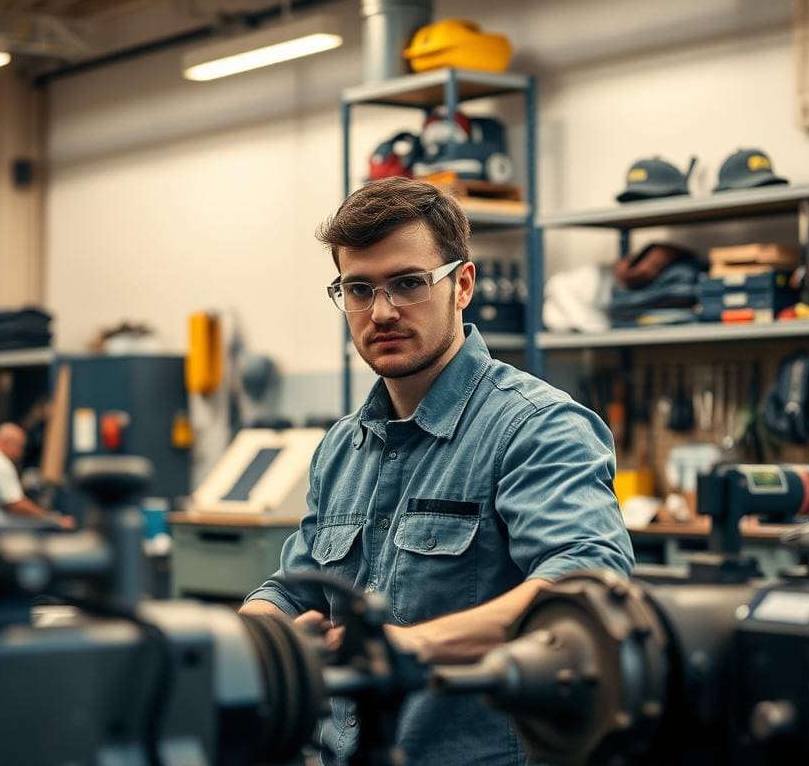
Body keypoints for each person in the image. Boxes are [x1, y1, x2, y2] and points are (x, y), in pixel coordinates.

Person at [240, 177, 633, 765]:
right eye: (359, 289)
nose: (382, 312)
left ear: (462, 285)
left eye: (409, 283)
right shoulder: (341, 447)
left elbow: (587, 584)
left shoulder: (537, 427)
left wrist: (409, 648)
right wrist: (245, 639)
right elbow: (294, 591)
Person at [0, 423, 74, 529]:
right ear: (4, 443)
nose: (21, 453)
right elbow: (16, 505)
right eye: (19, 447)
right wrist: (52, 520)